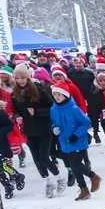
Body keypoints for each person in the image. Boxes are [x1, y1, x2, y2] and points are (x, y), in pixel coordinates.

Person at [11, 63, 64, 198]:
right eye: (17, 78)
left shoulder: (40, 89)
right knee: (36, 159)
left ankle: (59, 178)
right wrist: (17, 116)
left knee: (44, 157)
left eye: (23, 77)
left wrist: (37, 112)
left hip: (44, 128)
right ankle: (48, 182)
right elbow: (16, 110)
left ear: (28, 77)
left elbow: (52, 108)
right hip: (29, 130)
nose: (20, 80)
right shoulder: (15, 93)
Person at [50, 83, 100, 201]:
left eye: (59, 94)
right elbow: (53, 122)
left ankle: (93, 177)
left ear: (65, 95)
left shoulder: (74, 109)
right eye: (55, 94)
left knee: (75, 165)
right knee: (74, 166)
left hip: (77, 141)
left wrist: (76, 135)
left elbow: (86, 123)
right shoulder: (53, 109)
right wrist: (54, 128)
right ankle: (84, 190)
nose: (57, 97)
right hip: (64, 141)